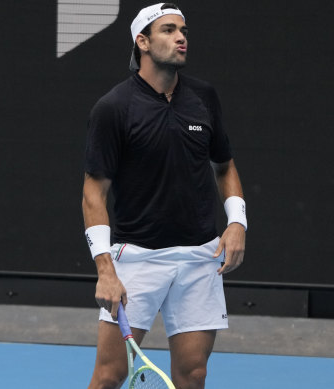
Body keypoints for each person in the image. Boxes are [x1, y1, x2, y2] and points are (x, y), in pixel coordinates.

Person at [81, 3, 247, 388]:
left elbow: (224, 165)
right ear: (143, 42)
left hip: (200, 258)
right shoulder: (113, 108)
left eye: (183, 31)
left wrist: (237, 222)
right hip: (137, 258)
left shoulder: (204, 97)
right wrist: (105, 270)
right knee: (109, 376)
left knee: (194, 374)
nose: (181, 38)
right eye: (169, 30)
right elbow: (93, 194)